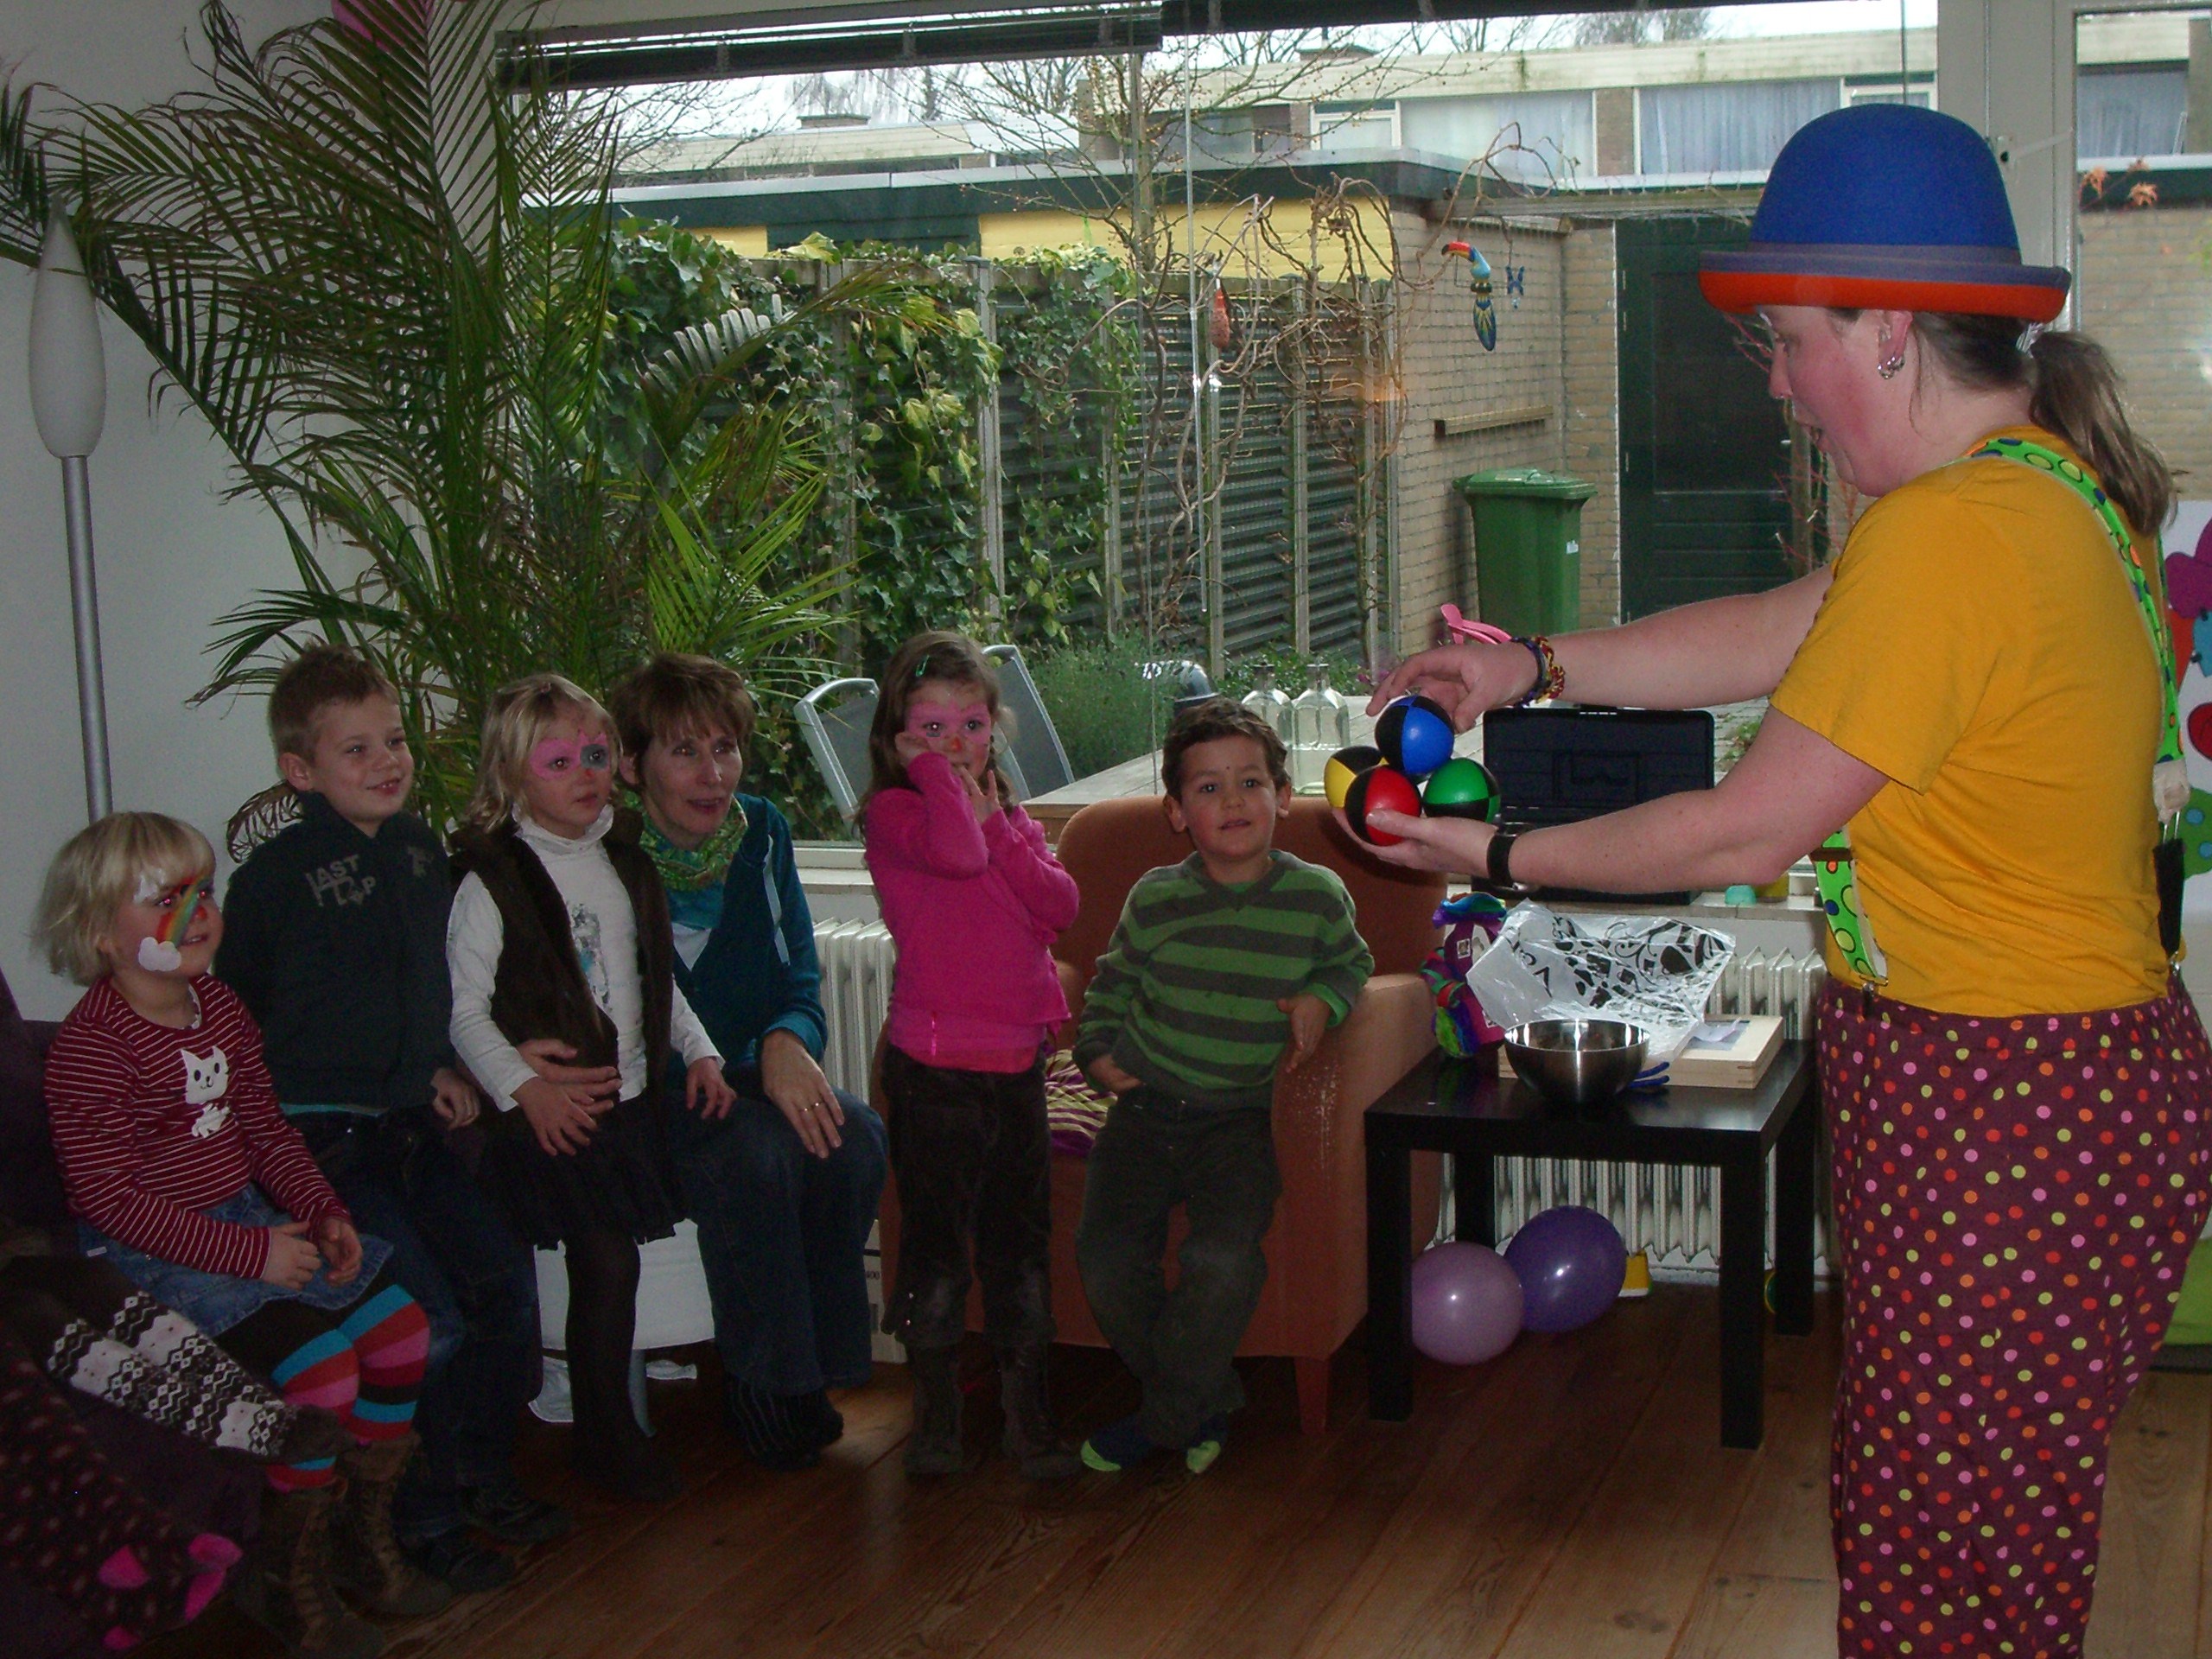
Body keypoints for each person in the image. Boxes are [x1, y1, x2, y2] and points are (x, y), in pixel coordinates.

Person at [1363, 103, 2212, 1658]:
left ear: (1888, 331)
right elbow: (1773, 626)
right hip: (2039, 1083)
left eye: (1792, 341)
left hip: (2006, 1098)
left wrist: (1489, 854)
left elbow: (1742, 832)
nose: (1779, 383)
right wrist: (1525, 669)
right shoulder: (2032, 493)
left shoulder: (1959, 540)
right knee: (1979, 1529)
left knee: (1941, 1545)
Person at [38, 811, 442, 1659]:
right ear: (100, 934)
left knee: (403, 1332)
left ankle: (356, 1540)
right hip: (157, 1256)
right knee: (324, 1373)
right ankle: (284, 1578)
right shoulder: (90, 1050)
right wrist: (252, 1254)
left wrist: (322, 1209)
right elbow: (110, 1203)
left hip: (249, 1222)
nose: (197, 914)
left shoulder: (219, 1005)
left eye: (204, 891)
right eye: (164, 900)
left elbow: (265, 1129)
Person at [216, 645, 565, 1592]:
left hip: (410, 1124)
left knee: (503, 1284)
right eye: (357, 749)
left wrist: (447, 1067)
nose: (387, 761)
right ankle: (413, 1519)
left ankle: (480, 1475)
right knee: (429, 1320)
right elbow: (231, 1013)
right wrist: (256, 1141)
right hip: (321, 1137)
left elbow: (440, 985)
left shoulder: (420, 851)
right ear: (301, 772)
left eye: (396, 740)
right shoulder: (274, 880)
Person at [594, 653, 887, 1471]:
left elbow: (799, 970)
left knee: (854, 1135)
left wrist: (789, 1045)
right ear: (632, 764)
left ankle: (814, 1377)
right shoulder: (608, 860)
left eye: (725, 748)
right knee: (757, 1154)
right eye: (684, 751)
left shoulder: (761, 831)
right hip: (656, 1093)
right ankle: (760, 1385)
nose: (712, 772)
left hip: (753, 1071)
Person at [445, 675, 733, 1503]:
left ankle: (633, 1407)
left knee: (630, 1253)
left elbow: (658, 983)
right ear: (512, 776)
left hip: (628, 1109)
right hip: (547, 1118)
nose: (585, 772)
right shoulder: (492, 882)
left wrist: (702, 1053)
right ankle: (604, 1432)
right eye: (559, 759)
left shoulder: (626, 864)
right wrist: (520, 1088)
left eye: (597, 755)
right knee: (604, 1260)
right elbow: (463, 1013)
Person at [1072, 700, 1371, 1476]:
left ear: (1283, 794)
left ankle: (1167, 1417)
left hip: (1239, 1120)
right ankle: (1205, 1400)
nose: (1232, 801)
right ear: (1177, 812)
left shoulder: (1315, 896)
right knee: (1105, 1260)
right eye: (1207, 789)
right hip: (1142, 1108)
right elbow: (1109, 984)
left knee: (1224, 1260)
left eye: (1249, 782)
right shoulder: (1155, 897)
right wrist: (1096, 1050)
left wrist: (1321, 1000)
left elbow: (1353, 966)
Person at [863, 631, 1083, 1479]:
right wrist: (935, 781)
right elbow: (953, 855)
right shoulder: (898, 813)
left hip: (1014, 1067)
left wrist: (1006, 827)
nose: (952, 744)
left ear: (996, 729)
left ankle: (1029, 1418)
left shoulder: (1006, 817)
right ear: (897, 738)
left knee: (1019, 1251)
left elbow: (1057, 905)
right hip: (936, 1069)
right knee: (938, 1252)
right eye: (930, 728)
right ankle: (938, 1418)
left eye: (970, 725)